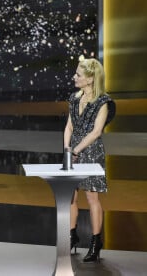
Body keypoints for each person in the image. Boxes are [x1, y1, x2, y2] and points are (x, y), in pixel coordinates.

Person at [64, 57, 115, 262]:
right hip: (73, 151)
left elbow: (95, 132)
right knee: (71, 197)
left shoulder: (103, 102)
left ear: (91, 79)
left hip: (91, 152)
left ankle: (96, 242)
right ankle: (71, 236)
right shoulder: (74, 99)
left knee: (92, 198)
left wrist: (76, 150)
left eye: (78, 75)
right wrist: (67, 149)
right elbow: (69, 126)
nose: (74, 77)